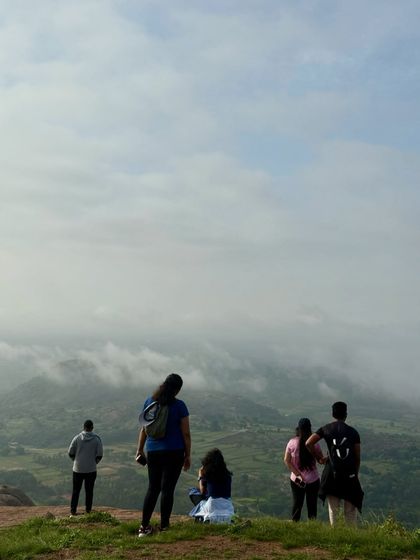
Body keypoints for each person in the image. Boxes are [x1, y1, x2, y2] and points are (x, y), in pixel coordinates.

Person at [136, 373, 191, 537]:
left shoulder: (150, 402)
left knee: (153, 488)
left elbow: (144, 429)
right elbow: (186, 434)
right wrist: (188, 455)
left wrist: (139, 450)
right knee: (167, 489)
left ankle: (144, 527)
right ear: (178, 390)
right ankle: (165, 527)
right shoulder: (180, 406)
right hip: (174, 452)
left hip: (153, 451)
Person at [306, 401, 364, 525]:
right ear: (346, 415)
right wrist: (355, 474)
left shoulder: (326, 429)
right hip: (349, 474)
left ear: (333, 414)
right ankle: (351, 537)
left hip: (332, 474)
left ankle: (335, 535)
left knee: (333, 509)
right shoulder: (353, 432)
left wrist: (319, 458)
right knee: (350, 510)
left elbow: (308, 443)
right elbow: (357, 457)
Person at [284, 417, 326, 521]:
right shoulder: (314, 444)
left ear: (298, 429)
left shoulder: (291, 443)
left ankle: (294, 526)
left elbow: (287, 460)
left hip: (296, 480)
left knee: (297, 504)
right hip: (313, 480)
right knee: (312, 506)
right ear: (310, 429)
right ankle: (312, 528)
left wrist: (297, 474)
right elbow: (320, 461)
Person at [189, 448, 234, 523]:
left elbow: (202, 491)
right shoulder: (227, 475)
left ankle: (201, 515)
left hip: (212, 505)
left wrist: (200, 475)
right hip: (227, 505)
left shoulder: (209, 475)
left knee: (193, 491)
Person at [68, 419, 103, 516]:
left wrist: (76, 461)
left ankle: (73, 510)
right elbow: (99, 455)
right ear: (92, 428)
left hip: (77, 469)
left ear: (83, 427)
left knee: (76, 490)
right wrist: (93, 463)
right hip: (91, 469)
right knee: (89, 491)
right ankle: (88, 510)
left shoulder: (77, 438)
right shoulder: (96, 439)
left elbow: (70, 452)